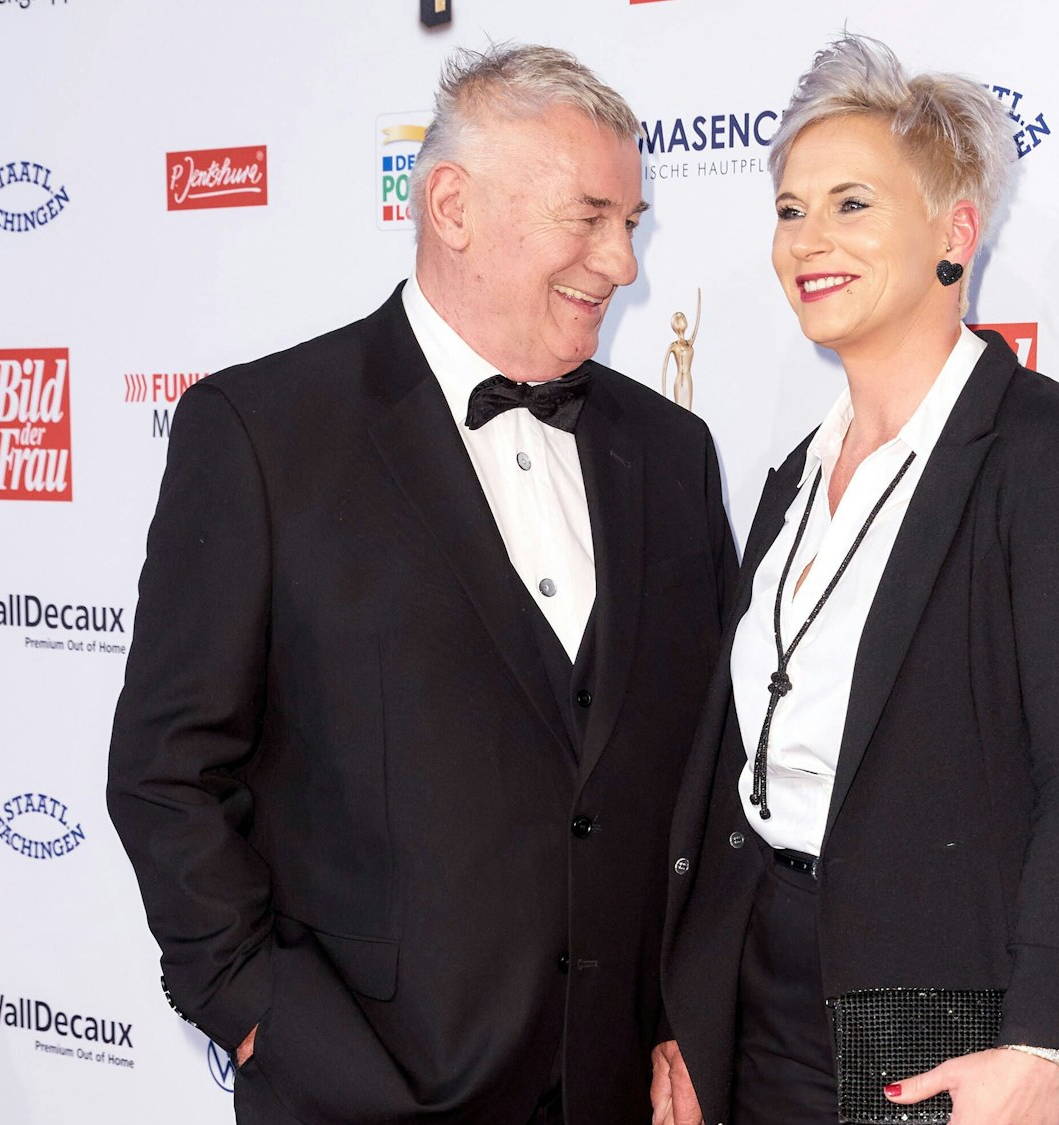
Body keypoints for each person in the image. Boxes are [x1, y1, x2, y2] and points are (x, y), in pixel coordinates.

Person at [109, 44, 736, 1125]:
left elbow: (710, 767)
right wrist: (259, 1011)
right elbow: (166, 772)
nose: (621, 263)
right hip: (357, 1084)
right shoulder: (263, 435)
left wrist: (689, 1011)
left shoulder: (670, 453)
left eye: (629, 224)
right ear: (452, 206)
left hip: (616, 1090)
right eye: (588, 218)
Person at [656, 34, 1059, 1125]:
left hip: (960, 1016)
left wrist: (1040, 1045)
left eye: (851, 204)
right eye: (790, 208)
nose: (806, 240)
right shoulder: (794, 473)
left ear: (955, 233)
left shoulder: (1053, 456)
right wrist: (691, 1005)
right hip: (767, 1002)